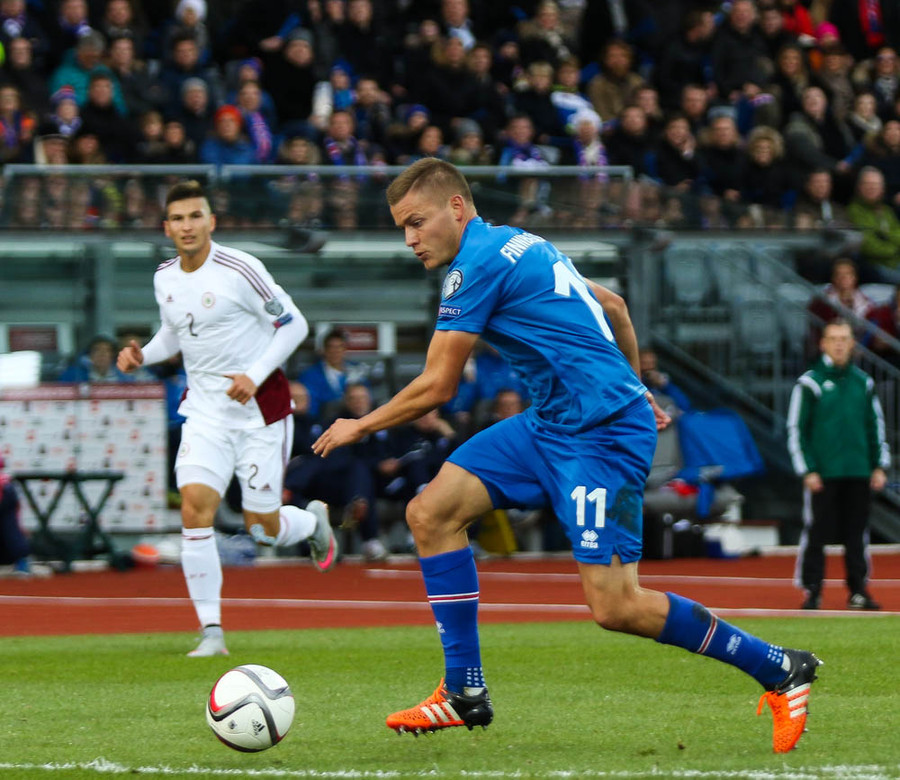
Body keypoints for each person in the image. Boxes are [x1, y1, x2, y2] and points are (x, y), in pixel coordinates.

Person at [312, 158, 822, 752]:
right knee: (430, 513)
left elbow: (438, 386)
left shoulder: (473, 267)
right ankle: (463, 691)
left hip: (600, 435)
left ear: (456, 207)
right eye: (402, 227)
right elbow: (615, 307)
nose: (409, 239)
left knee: (617, 606)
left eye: (416, 222)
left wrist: (360, 423)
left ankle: (780, 667)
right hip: (554, 422)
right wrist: (634, 386)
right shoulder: (521, 242)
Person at [116, 179, 337, 658]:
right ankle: (211, 632)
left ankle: (310, 523)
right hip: (205, 414)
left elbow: (294, 324)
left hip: (260, 414)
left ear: (211, 221)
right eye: (178, 218)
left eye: (195, 216)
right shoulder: (165, 277)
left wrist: (254, 375)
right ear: (167, 227)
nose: (187, 226)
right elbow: (174, 334)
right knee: (195, 508)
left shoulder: (241, 268)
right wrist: (143, 355)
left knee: (263, 529)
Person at [787, 319, 889, 612]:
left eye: (844, 339)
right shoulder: (810, 383)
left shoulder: (863, 383)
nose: (840, 345)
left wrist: (878, 465)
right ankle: (812, 590)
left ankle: (858, 590)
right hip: (824, 472)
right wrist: (807, 469)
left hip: (858, 470)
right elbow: (796, 429)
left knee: (857, 534)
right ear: (823, 344)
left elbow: (875, 426)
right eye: (834, 339)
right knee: (816, 532)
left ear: (853, 344)